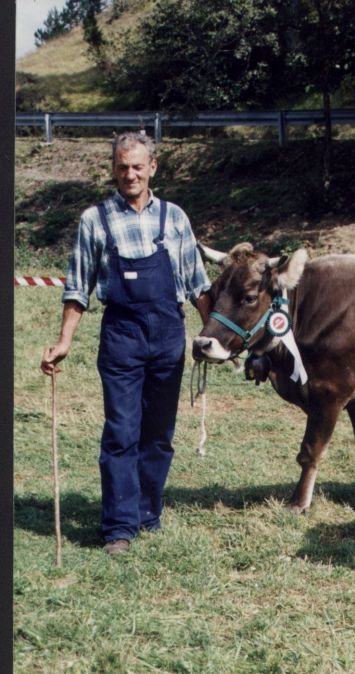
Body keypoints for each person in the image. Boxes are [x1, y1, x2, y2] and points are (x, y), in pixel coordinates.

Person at [40, 131, 212, 556]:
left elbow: (197, 284)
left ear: (153, 168)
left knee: (158, 434)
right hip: (121, 337)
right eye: (122, 167)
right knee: (121, 432)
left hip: (168, 334)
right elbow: (78, 288)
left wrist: (210, 335)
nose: (130, 174)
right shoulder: (94, 220)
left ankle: (147, 513)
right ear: (113, 169)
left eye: (138, 166)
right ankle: (118, 527)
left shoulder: (174, 217)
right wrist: (64, 341)